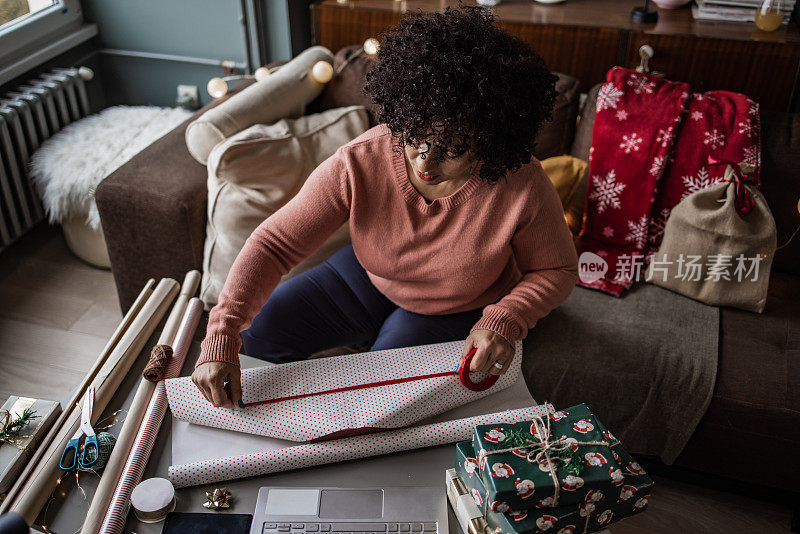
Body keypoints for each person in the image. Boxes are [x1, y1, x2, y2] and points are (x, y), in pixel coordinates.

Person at [192, 4, 578, 408]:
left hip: (457, 306)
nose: (425, 161)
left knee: (378, 399)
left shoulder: (522, 182)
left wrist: (505, 319)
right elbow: (274, 244)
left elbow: (556, 269)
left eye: (453, 149)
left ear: (492, 141)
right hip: (367, 277)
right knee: (257, 336)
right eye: (415, 136)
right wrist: (222, 333)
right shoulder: (361, 158)